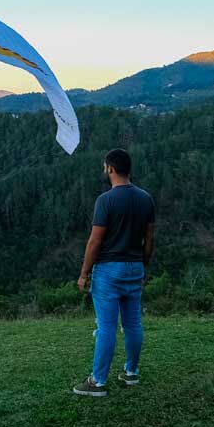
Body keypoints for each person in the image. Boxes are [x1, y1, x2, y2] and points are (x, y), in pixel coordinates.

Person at [73, 148, 155, 397]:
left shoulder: (106, 200)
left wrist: (84, 273)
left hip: (109, 269)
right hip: (135, 266)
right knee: (133, 323)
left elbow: (94, 242)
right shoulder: (145, 198)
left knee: (107, 326)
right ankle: (131, 372)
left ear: (110, 168)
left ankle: (98, 381)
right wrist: (144, 266)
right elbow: (149, 238)